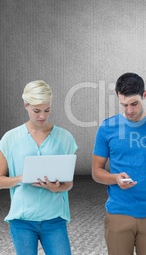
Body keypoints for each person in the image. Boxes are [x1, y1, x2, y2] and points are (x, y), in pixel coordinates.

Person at [92, 72, 146, 255]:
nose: (129, 110)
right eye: (124, 104)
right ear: (117, 98)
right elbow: (96, 171)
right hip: (118, 214)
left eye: (134, 103)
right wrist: (115, 178)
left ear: (144, 95)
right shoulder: (107, 128)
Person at [0, 80, 78, 255]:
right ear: (26, 105)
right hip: (22, 220)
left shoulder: (65, 138)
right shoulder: (10, 138)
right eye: (37, 111)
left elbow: (69, 183)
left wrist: (57, 187)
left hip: (54, 219)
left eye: (47, 110)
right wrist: (22, 178)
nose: (42, 116)